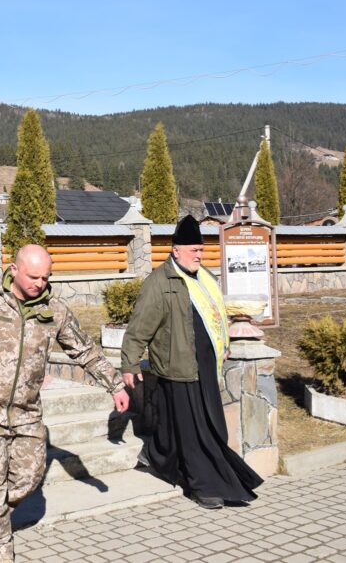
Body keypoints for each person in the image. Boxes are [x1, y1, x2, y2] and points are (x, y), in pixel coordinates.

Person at [0, 244, 129, 562]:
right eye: (34, 277)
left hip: (27, 411)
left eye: (46, 278)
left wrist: (114, 384)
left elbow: (84, 350)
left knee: (30, 476)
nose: (40, 284)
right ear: (14, 269)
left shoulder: (54, 310)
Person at [121, 214, 263, 509]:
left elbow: (216, 315)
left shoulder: (204, 277)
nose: (200, 255)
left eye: (201, 250)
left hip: (206, 367)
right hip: (178, 368)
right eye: (194, 250)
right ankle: (202, 485)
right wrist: (130, 365)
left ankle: (156, 457)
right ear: (176, 250)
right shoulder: (159, 284)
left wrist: (222, 343)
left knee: (205, 425)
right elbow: (139, 329)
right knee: (193, 430)